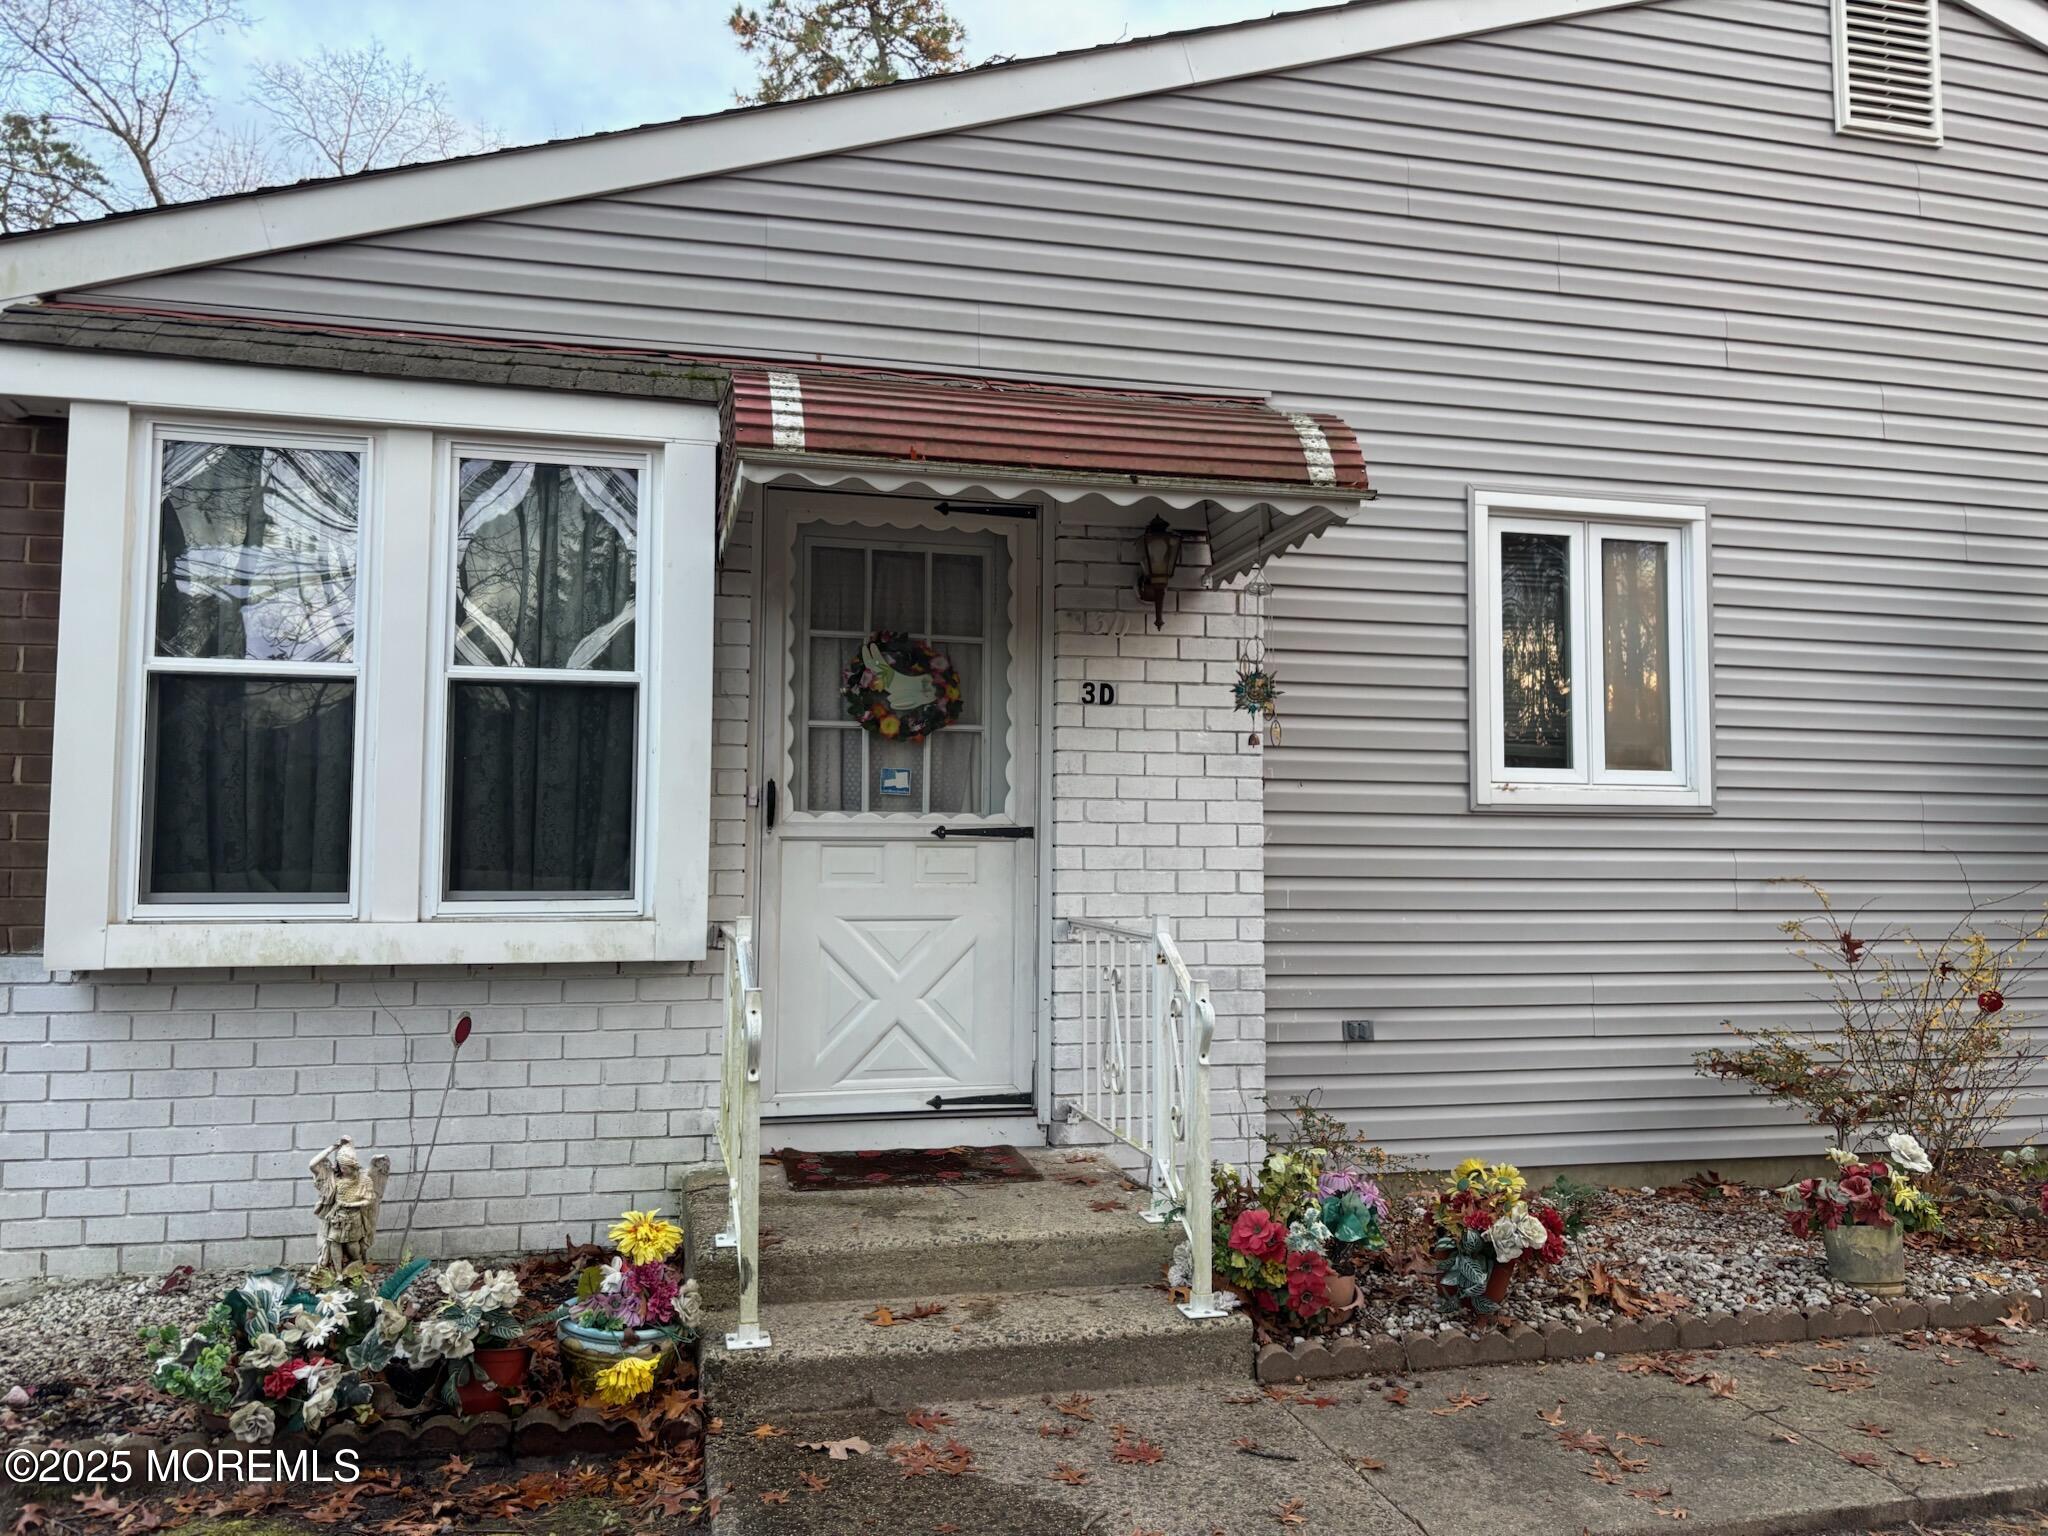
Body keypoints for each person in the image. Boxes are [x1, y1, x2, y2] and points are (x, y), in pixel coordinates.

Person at [309, 1136, 390, 1270]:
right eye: (340, 1166)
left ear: (353, 1166)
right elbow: (312, 1164)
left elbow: (369, 1200)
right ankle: (337, 1273)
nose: (342, 1169)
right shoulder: (332, 1177)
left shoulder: (363, 1179)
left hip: (354, 1218)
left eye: (345, 1167)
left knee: (353, 1246)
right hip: (334, 1217)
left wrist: (350, 1205)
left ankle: (357, 1268)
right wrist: (333, 1148)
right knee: (328, 1249)